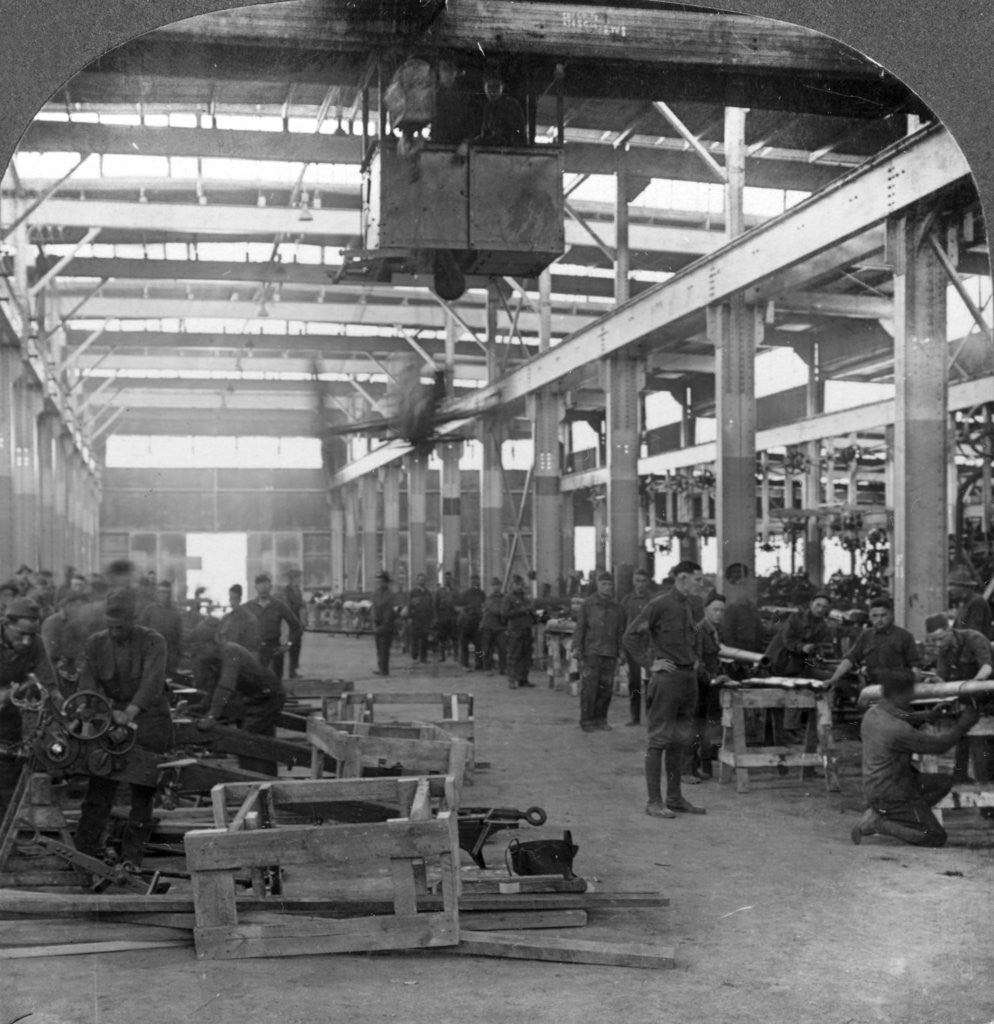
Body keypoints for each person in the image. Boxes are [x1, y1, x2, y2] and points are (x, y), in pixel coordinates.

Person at [73, 588, 172, 868]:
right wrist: (106, 712)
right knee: (100, 787)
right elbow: (88, 684)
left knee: (143, 794)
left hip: (150, 720)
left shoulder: (154, 642)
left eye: (121, 625)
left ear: (134, 619)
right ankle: (84, 853)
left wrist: (129, 713)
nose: (115, 631)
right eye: (110, 625)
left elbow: (152, 683)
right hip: (111, 718)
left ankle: (132, 860)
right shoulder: (95, 643)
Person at [852, 668, 979, 847]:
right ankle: (880, 823)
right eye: (911, 691)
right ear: (902, 692)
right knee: (935, 837)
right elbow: (939, 746)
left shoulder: (873, 713)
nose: (913, 695)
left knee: (943, 783)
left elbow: (901, 714)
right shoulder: (897, 730)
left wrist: (928, 716)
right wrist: (963, 725)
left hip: (881, 786)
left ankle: (892, 814)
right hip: (892, 792)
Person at [623, 560, 707, 818]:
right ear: (681, 577)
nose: (700, 585)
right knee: (659, 739)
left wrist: (695, 658)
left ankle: (674, 797)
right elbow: (630, 636)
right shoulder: (659, 604)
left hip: (686, 678)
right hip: (667, 679)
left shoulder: (691, 605)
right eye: (697, 580)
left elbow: (694, 637)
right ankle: (653, 802)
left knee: (680, 739)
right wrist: (651, 663)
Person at [188, 620, 285, 776]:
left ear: (211, 644)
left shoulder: (230, 651)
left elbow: (226, 686)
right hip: (253, 699)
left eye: (200, 651)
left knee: (244, 740)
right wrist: (200, 707)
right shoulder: (215, 660)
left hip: (270, 697)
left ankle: (255, 779)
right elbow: (214, 690)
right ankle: (257, 779)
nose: (199, 657)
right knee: (258, 742)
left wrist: (212, 716)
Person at [0, 597, 59, 815]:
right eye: (21, 634)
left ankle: (6, 838)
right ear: (6, 623)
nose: (26, 642)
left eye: (31, 635)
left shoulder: (35, 642)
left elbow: (49, 684)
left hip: (8, 721)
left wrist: (65, 716)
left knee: (8, 778)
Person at [923, 613, 993, 783]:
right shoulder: (945, 650)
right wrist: (930, 680)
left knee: (977, 741)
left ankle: (982, 782)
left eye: (940, 638)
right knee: (962, 732)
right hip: (972, 699)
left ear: (950, 630)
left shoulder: (974, 638)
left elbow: (987, 666)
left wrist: (975, 683)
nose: (938, 644)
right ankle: (961, 776)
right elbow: (943, 678)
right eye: (934, 641)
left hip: (989, 695)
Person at [825, 597, 922, 689]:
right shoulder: (866, 635)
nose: (879, 620)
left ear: (892, 615)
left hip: (896, 688)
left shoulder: (904, 636)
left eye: (883, 615)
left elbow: (915, 667)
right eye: (875, 616)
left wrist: (913, 689)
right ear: (870, 617)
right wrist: (833, 679)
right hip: (872, 686)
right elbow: (851, 659)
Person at [574, 571, 625, 732]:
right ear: (597, 585)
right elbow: (580, 628)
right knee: (590, 688)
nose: (607, 587)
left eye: (609, 584)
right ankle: (586, 721)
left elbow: (620, 631)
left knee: (606, 689)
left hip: (610, 653)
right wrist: (577, 648)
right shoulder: (588, 605)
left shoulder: (617, 607)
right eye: (604, 584)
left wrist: (621, 651)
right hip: (592, 653)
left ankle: (601, 719)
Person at [692, 591, 728, 779]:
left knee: (713, 724)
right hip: (700, 685)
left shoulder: (715, 631)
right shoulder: (699, 630)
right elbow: (696, 662)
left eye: (722, 610)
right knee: (698, 725)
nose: (719, 614)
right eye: (715, 610)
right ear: (706, 610)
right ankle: (694, 765)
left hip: (711, 684)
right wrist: (712, 678)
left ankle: (707, 761)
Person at [244, 572, 301, 680]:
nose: (264, 588)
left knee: (275, 684)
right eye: (260, 585)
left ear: (270, 587)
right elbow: (238, 627)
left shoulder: (279, 606)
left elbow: (296, 626)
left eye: (266, 585)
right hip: (255, 652)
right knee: (256, 684)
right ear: (255, 587)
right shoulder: (249, 607)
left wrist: (288, 644)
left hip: (274, 651)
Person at [620, 569, 654, 726]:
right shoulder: (626, 601)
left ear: (648, 582)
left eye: (643, 581)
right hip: (632, 648)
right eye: (637, 580)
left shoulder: (654, 600)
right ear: (633, 582)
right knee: (633, 681)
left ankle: (650, 716)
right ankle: (634, 717)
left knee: (651, 682)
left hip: (649, 647)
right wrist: (621, 649)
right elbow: (621, 625)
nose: (640, 584)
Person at [138, 579, 184, 677]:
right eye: (162, 592)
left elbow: (179, 636)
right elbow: (141, 633)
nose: (165, 595)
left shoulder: (176, 613)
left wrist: (177, 657)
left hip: (170, 654)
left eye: (168, 593)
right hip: (153, 653)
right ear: (157, 593)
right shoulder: (149, 610)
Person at [475, 66, 526, 147]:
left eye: (496, 86)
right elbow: (485, 134)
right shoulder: (488, 108)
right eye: (489, 87)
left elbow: (519, 132)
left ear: (502, 87)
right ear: (484, 88)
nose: (492, 91)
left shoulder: (512, 106)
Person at [501, 574, 536, 689]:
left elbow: (530, 611)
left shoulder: (525, 598)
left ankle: (523, 679)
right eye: (518, 584)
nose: (520, 586)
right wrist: (521, 610)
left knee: (526, 656)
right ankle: (512, 680)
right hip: (515, 630)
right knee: (513, 655)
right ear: (513, 585)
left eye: (521, 584)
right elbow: (505, 614)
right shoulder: (508, 598)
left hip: (526, 629)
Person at [948, 566, 993, 639]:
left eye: (952, 585)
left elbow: (973, 633)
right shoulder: (964, 602)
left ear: (963, 587)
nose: (949, 589)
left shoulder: (976, 602)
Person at [218, 584, 261, 655]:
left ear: (240, 599)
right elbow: (219, 636)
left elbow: (252, 646)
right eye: (231, 598)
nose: (232, 602)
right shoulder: (227, 618)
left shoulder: (249, 618)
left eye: (235, 599)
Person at [456, 573, 486, 670]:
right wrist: (466, 611)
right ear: (470, 581)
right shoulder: (465, 594)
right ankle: (465, 664)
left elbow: (484, 606)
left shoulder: (481, 594)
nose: (475, 582)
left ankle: (480, 663)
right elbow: (458, 607)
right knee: (464, 644)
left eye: (476, 580)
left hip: (477, 622)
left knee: (479, 645)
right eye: (473, 580)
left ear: (479, 581)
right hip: (466, 623)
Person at [371, 571, 397, 677]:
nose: (379, 583)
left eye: (381, 581)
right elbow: (373, 607)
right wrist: (374, 622)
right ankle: (381, 667)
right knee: (379, 647)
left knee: (384, 648)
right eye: (378, 581)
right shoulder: (376, 593)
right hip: (377, 623)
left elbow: (389, 610)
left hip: (386, 624)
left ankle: (384, 670)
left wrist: (383, 625)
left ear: (386, 582)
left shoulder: (390, 594)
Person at [478, 577, 506, 674]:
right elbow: (496, 610)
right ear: (492, 587)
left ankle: (503, 668)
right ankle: (487, 667)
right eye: (494, 585)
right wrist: (506, 611)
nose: (496, 587)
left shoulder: (504, 597)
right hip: (488, 626)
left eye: (498, 585)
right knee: (486, 649)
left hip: (500, 627)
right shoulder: (489, 598)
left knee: (503, 648)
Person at [282, 570, 306, 678]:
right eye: (298, 577)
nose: (300, 580)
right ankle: (291, 671)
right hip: (291, 622)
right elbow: (288, 606)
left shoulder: (298, 590)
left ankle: (294, 669)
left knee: (297, 646)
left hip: (298, 622)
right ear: (293, 578)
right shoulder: (287, 590)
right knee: (292, 646)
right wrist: (300, 604)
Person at [407, 573, 433, 665]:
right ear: (417, 581)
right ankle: (414, 654)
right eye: (420, 579)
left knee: (424, 638)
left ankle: (423, 658)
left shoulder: (428, 593)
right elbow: (410, 605)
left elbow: (431, 606)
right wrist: (409, 617)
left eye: (423, 579)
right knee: (415, 637)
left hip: (425, 619)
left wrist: (431, 618)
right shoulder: (413, 592)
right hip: (416, 618)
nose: (422, 581)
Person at [434, 572, 459, 662]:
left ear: (451, 580)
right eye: (446, 578)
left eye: (449, 578)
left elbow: (458, 603)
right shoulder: (439, 591)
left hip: (452, 616)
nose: (447, 580)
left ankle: (456, 656)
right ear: (444, 580)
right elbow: (436, 605)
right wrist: (437, 617)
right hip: (443, 616)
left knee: (455, 637)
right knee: (442, 638)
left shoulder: (455, 591)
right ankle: (442, 656)